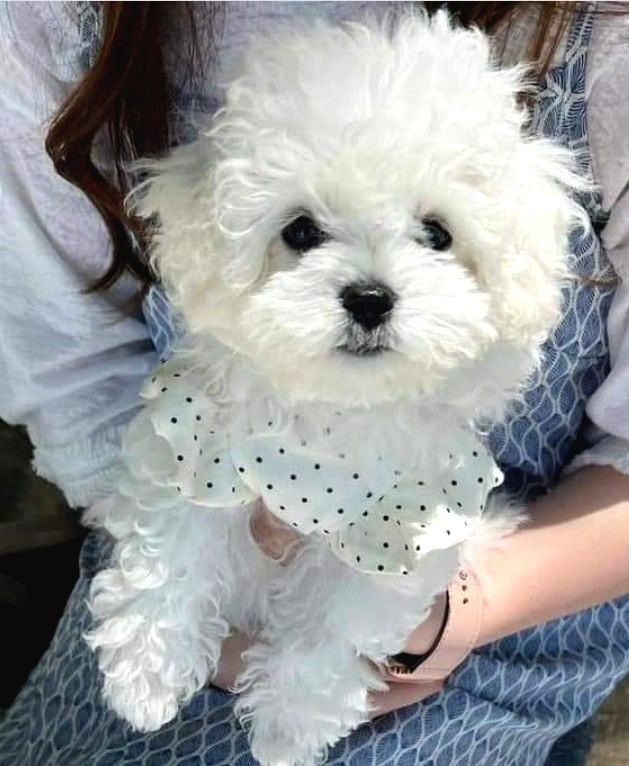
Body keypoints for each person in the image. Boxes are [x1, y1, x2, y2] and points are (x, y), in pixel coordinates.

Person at [0, 2, 628, 764]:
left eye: (433, 235)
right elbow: (85, 389)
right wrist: (174, 606)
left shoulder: (603, 38)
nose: (370, 286)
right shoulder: (53, 21)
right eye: (303, 234)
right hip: (170, 565)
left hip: (521, 608)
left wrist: (449, 611)